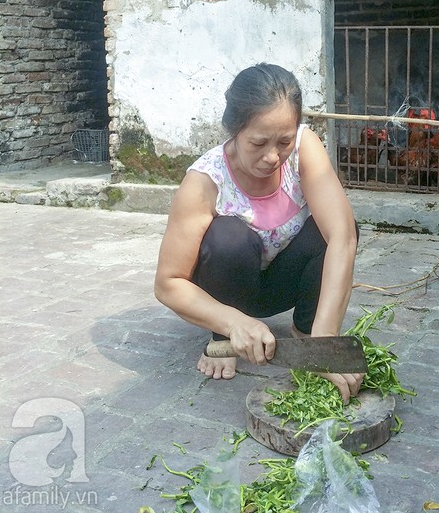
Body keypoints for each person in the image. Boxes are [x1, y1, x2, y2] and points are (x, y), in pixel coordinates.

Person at [154, 63, 362, 403]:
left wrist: (325, 340)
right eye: (258, 143)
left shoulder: (303, 149)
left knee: (340, 226)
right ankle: (222, 338)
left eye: (283, 141)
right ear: (234, 131)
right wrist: (234, 323)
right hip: (230, 290)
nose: (272, 156)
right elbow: (168, 283)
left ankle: (307, 332)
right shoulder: (205, 180)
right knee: (228, 238)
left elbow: (342, 237)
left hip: (285, 283)